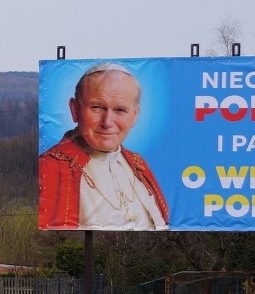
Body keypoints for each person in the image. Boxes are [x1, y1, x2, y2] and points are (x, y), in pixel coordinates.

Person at [39, 63, 168, 230]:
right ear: (75, 110)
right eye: (97, 107)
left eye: (120, 110)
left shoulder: (139, 165)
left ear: (134, 116)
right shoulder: (49, 168)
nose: (107, 122)